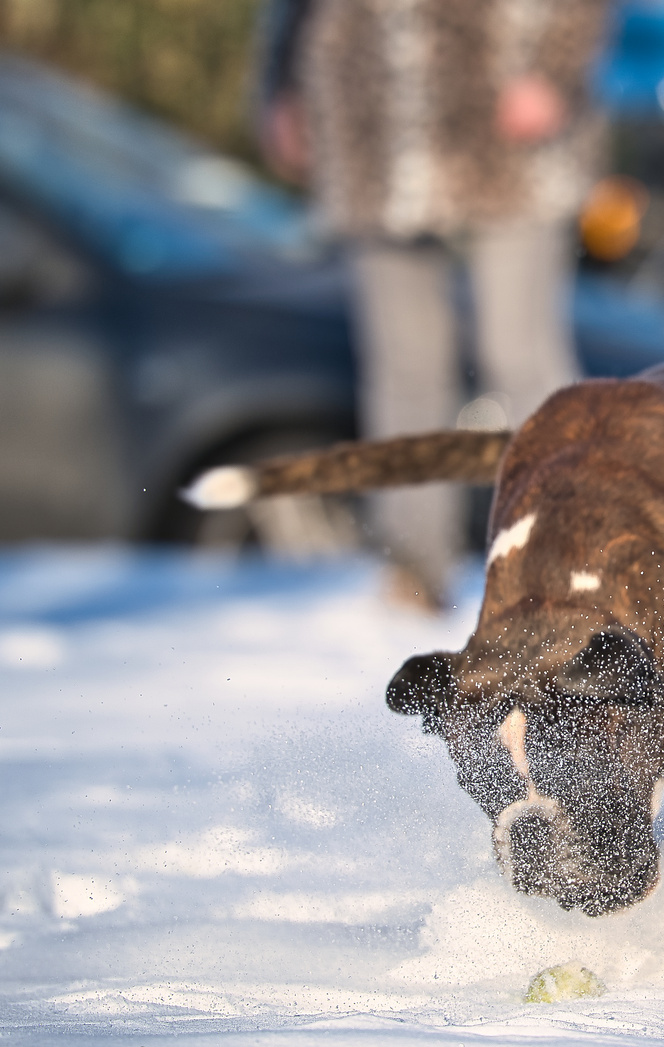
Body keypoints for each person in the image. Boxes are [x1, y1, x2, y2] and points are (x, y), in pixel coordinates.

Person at [255, 0, 612, 612]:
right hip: (370, 114)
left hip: (508, 99)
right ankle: (413, 566)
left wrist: (555, 68)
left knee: (519, 350)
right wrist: (280, 86)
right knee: (404, 361)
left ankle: (571, 551)